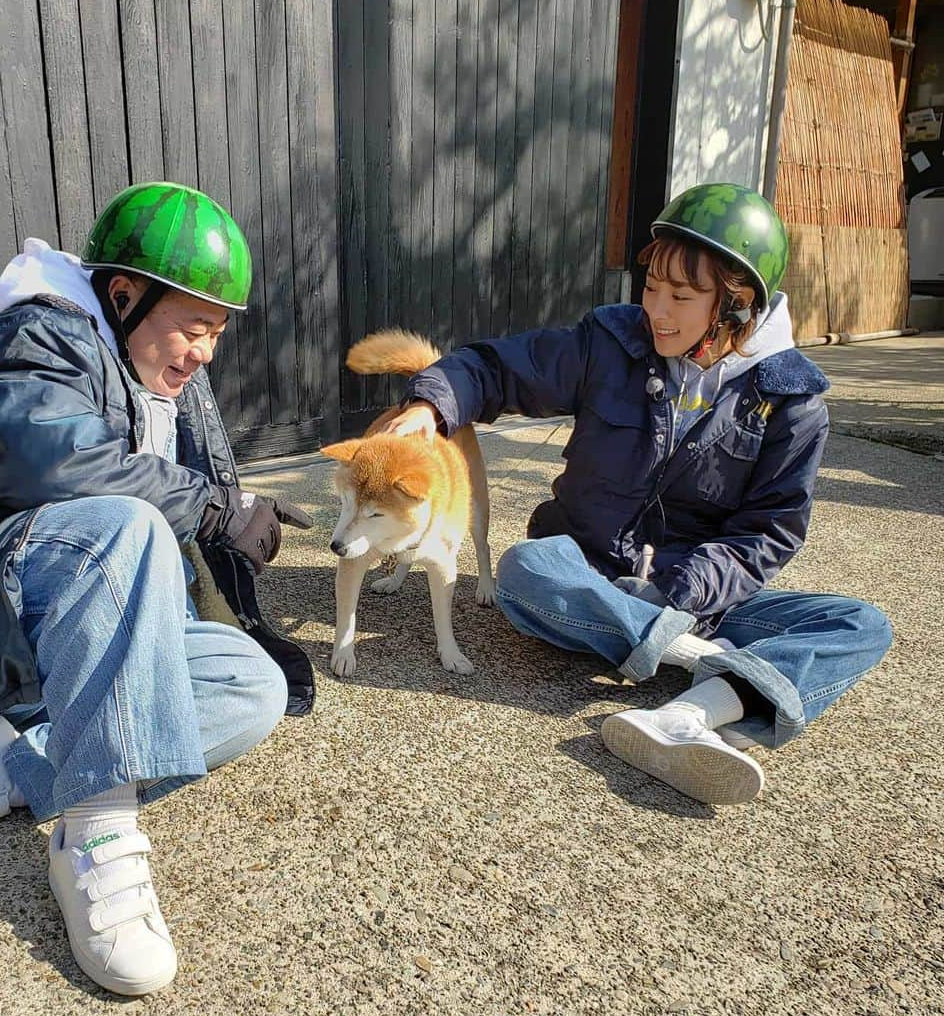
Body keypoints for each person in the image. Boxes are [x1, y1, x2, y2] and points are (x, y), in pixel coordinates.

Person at [0, 181, 314, 995]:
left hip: (31, 638)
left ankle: (14, 762)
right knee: (129, 525)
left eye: (217, 333)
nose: (206, 351)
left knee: (251, 685)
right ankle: (95, 833)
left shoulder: (141, 382)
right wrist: (215, 508)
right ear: (123, 294)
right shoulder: (39, 334)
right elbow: (55, 465)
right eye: (194, 327)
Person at [382, 183, 892, 806]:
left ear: (736, 305)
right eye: (651, 287)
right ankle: (711, 666)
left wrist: (682, 591)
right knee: (526, 569)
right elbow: (497, 367)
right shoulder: (609, 342)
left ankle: (689, 712)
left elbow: (769, 533)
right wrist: (428, 405)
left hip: (701, 593)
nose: (657, 309)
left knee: (861, 625)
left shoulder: (791, 402)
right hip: (587, 574)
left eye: (681, 295)